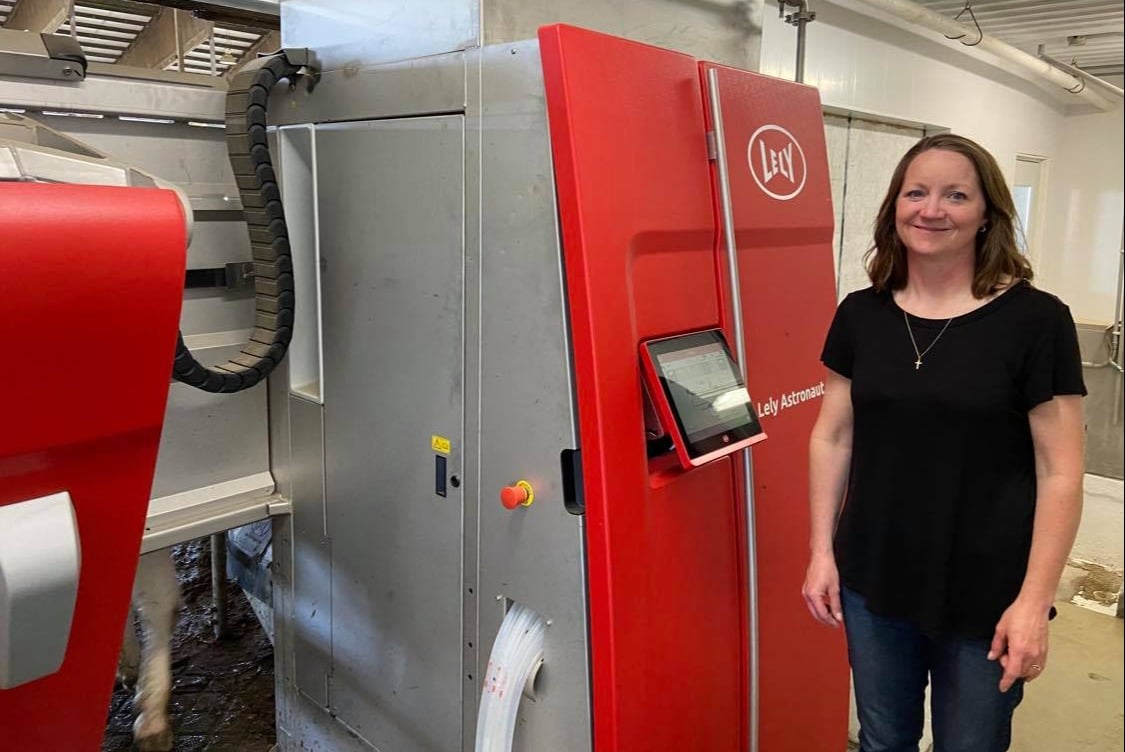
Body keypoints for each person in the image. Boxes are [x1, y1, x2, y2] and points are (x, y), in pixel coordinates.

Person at [802, 133, 1086, 752]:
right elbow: (832, 435)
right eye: (917, 193)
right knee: (883, 740)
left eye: (956, 195)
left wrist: (1035, 602)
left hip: (989, 591)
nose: (932, 210)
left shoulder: (1037, 322)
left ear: (988, 214)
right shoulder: (861, 314)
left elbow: (1060, 471)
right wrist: (822, 551)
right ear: (895, 207)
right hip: (874, 576)